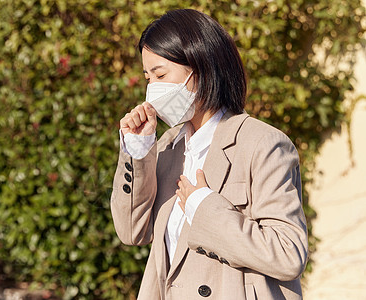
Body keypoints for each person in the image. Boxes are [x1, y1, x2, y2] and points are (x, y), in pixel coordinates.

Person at [111, 9, 308, 300]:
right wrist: (138, 152)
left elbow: (288, 253)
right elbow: (131, 231)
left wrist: (205, 208)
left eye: (161, 74)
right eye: (148, 77)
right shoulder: (167, 146)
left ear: (201, 66)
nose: (152, 87)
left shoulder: (262, 143)